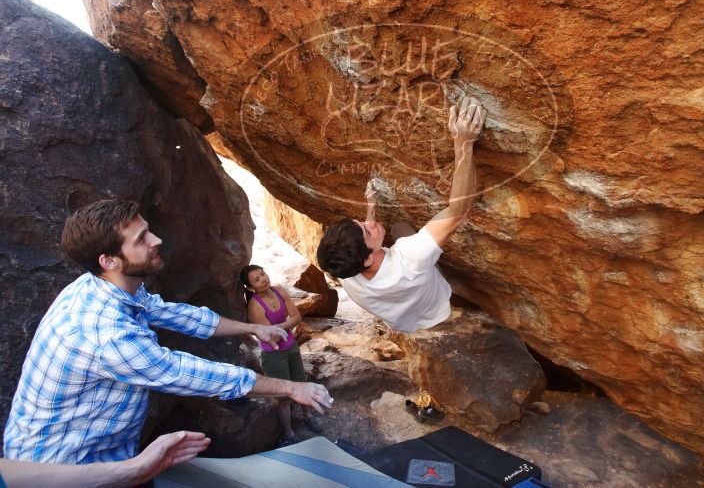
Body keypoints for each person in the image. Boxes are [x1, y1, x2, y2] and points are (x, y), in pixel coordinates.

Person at [3, 199, 333, 465]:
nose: (156, 240)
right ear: (110, 261)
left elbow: (179, 315)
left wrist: (253, 328)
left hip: (107, 454)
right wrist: (291, 388)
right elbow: (187, 373)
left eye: (148, 230)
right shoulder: (104, 334)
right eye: (141, 239)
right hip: (61, 467)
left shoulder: (108, 286)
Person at [316, 97, 485, 332]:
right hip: (436, 307)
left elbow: (359, 243)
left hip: (405, 321)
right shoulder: (411, 258)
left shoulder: (345, 270)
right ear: (366, 258)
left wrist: (371, 205)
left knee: (397, 229)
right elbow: (458, 211)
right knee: (403, 229)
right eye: (367, 229)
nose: (370, 223)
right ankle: (440, 272)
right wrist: (463, 142)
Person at [240, 264, 323, 445]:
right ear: (250, 287)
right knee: (283, 396)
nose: (263, 279)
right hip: (274, 355)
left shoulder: (279, 291)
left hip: (291, 347)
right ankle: (288, 432)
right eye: (257, 279)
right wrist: (283, 326)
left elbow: (297, 317)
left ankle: (308, 415)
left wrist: (279, 327)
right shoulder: (255, 306)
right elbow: (272, 338)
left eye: (263, 274)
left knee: (301, 383)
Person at [0, 430, 209, 488]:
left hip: (78, 468)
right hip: (64, 457)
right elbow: (171, 370)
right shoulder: (110, 336)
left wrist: (132, 470)